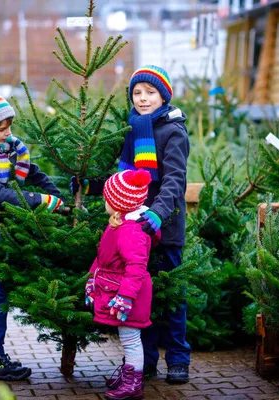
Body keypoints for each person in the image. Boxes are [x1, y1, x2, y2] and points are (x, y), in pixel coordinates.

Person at [72, 65, 191, 383]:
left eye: (150, 92)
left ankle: (178, 359)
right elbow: (124, 180)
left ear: (164, 96)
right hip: (133, 232)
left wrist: (157, 214)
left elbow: (174, 182)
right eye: (137, 92)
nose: (143, 98)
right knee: (141, 300)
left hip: (163, 230)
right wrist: (91, 186)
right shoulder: (135, 128)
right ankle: (147, 361)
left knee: (172, 298)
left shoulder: (173, 131)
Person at [0, 91, 64, 381]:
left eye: (9, 127)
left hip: (2, 223)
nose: (7, 133)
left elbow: (36, 175)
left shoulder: (11, 147)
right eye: (0, 129)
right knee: (0, 292)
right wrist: (39, 201)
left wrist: (58, 199)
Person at [85, 168, 158, 400]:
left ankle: (133, 382)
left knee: (131, 339)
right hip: (114, 290)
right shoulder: (119, 223)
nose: (104, 201)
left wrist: (125, 297)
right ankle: (128, 375)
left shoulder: (131, 232)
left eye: (107, 198)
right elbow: (103, 257)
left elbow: (136, 268)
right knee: (127, 338)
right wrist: (91, 280)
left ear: (117, 204)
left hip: (129, 296)